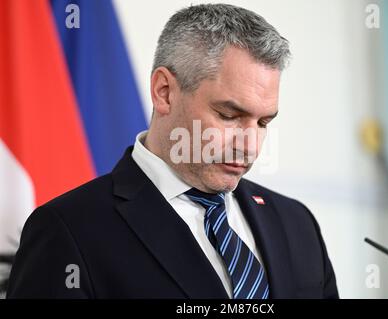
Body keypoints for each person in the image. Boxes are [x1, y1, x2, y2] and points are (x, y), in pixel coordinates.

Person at [7, 3, 338, 299]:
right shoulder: (69, 230)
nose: (249, 145)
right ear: (164, 92)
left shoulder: (297, 223)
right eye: (228, 115)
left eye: (263, 122)